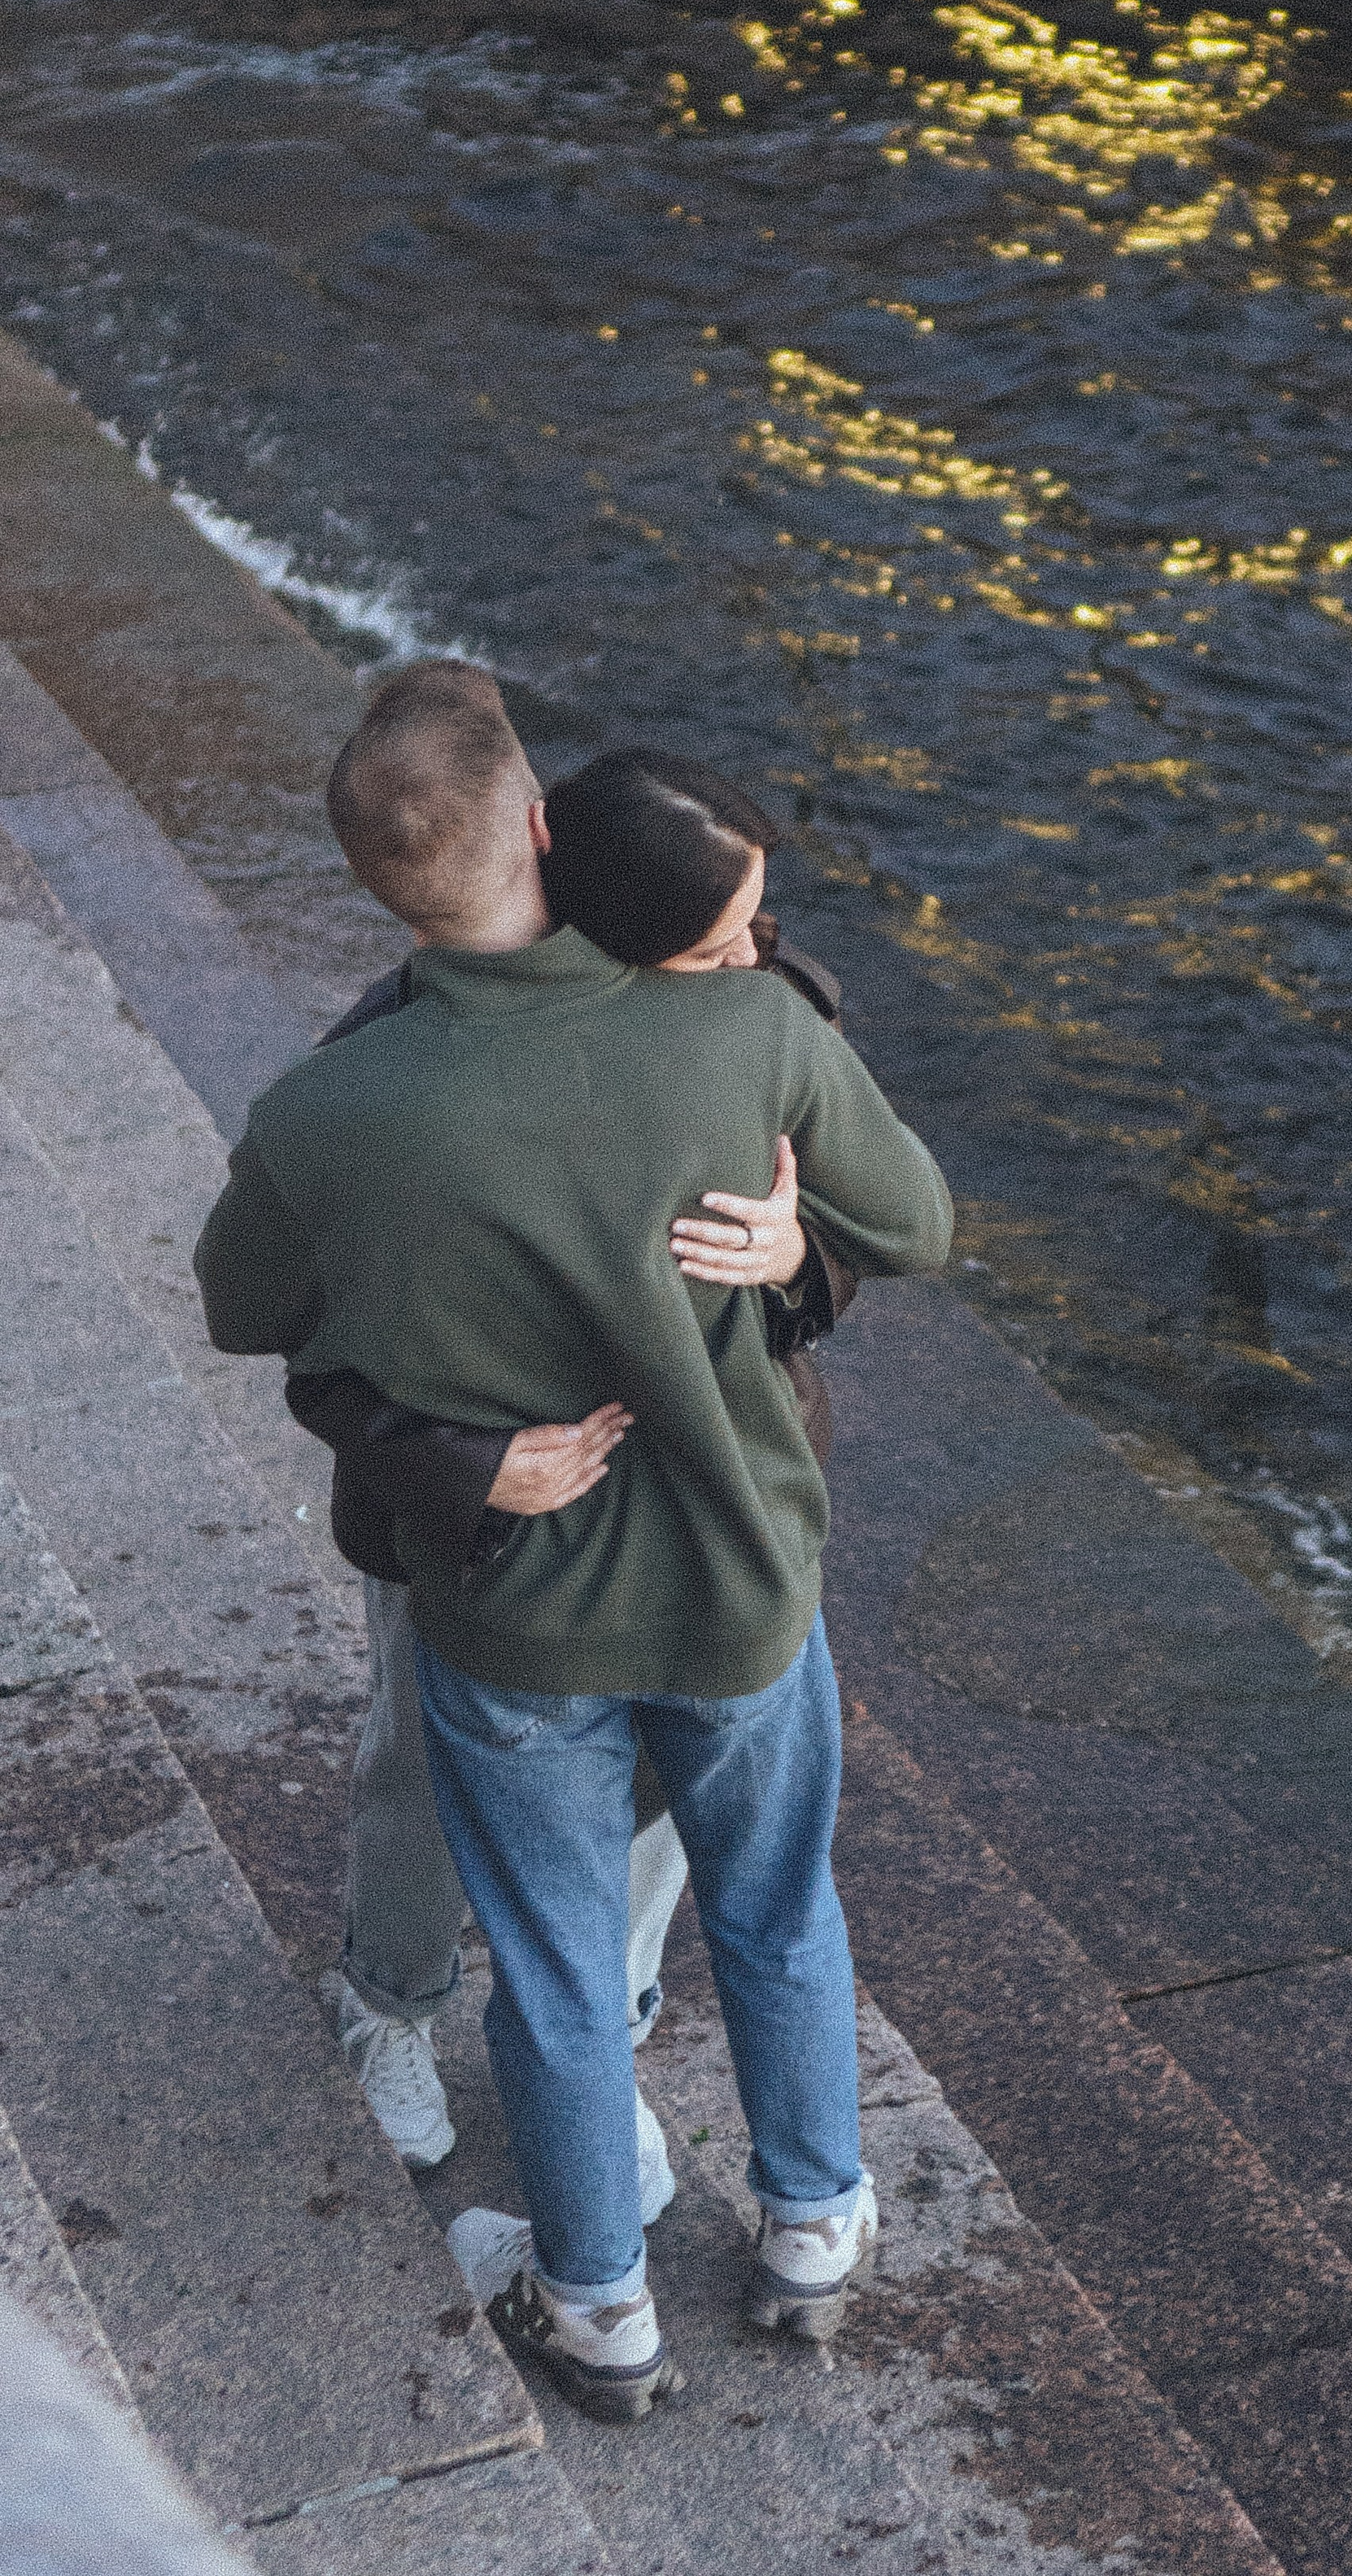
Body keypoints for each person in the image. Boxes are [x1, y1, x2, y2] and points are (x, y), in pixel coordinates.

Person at [195, 677, 953, 2419]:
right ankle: (815, 2228)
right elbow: (911, 1220)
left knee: (542, 1968)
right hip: (740, 1585)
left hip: (515, 1614)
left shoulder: (331, 1109)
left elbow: (249, 1311)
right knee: (773, 1908)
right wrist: (784, 1248)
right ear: (544, 827)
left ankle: (595, 2307)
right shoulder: (743, 1027)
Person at [288, 676, 856, 2205]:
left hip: (710, 1489)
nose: (750, 954)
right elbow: (310, 1323)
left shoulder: (732, 963)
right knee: (419, 1762)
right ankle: (391, 2002)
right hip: (478, 1518)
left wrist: (798, 1250)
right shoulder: (397, 1047)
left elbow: (867, 1207)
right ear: (534, 832)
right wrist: (464, 1467)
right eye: (731, 940)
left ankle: (599, 2043)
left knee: (675, 1804)